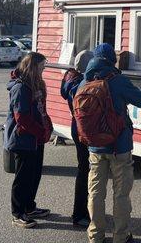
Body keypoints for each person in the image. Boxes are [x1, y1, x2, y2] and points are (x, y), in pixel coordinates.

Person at [82, 43, 141, 243]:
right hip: (119, 146)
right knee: (120, 194)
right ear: (113, 60)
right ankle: (120, 237)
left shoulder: (84, 81)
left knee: (95, 193)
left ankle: (95, 236)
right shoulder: (118, 80)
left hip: (94, 146)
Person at [4, 52, 53, 228]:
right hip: (23, 139)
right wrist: (40, 132)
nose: (44, 69)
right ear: (33, 67)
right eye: (41, 66)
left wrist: (48, 125)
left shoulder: (36, 85)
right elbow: (22, 118)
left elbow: (40, 110)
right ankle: (17, 213)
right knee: (23, 177)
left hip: (36, 138)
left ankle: (29, 207)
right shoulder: (21, 88)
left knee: (34, 174)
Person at [60, 50, 95, 227]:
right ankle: (79, 213)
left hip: (76, 128)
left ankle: (84, 209)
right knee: (85, 171)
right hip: (83, 130)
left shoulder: (68, 79)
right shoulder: (81, 85)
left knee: (85, 169)